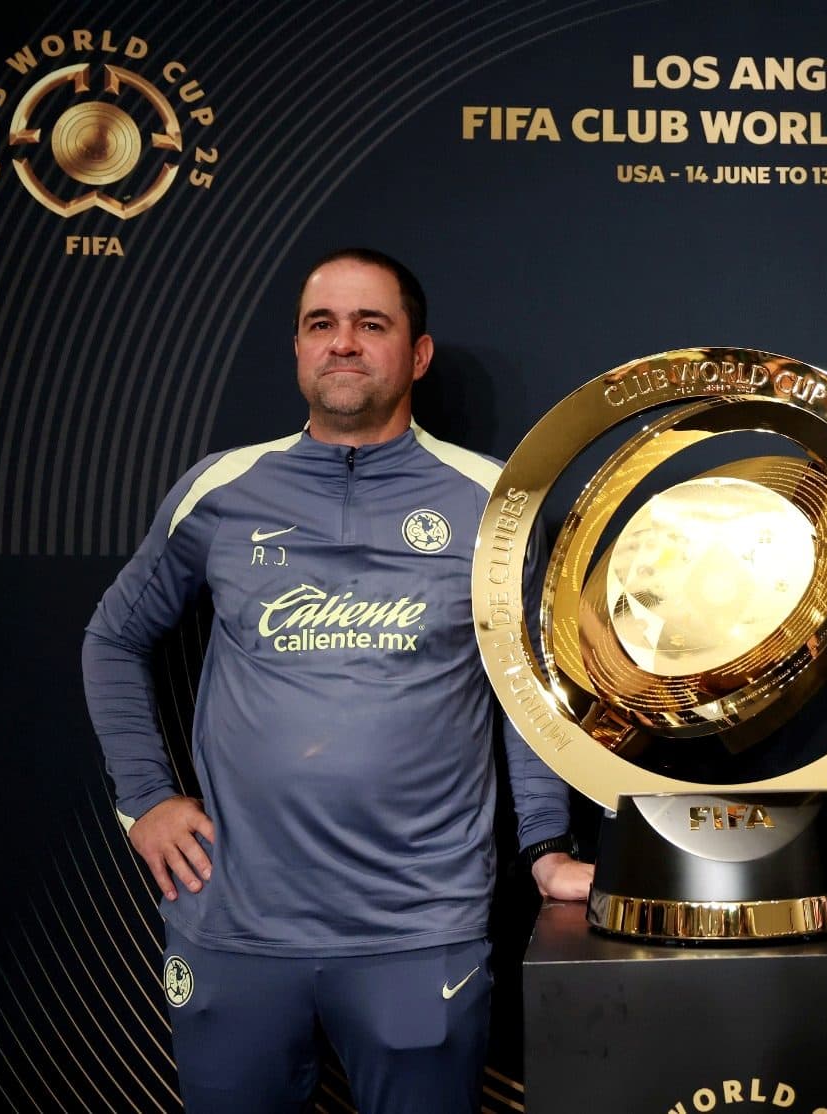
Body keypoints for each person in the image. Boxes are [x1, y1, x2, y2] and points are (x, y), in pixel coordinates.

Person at [82, 247, 592, 1114]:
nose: (343, 343)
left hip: (419, 928)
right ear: (298, 350)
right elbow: (112, 638)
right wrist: (145, 797)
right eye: (322, 324)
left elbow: (528, 691)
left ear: (418, 355)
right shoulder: (221, 490)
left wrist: (544, 848)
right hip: (236, 923)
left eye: (371, 324)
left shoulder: (491, 502)